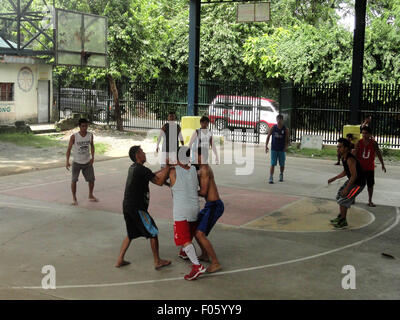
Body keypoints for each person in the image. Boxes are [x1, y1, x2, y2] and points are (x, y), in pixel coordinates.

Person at [115, 146, 171, 270]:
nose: (145, 153)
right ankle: (157, 261)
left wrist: (162, 171)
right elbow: (159, 182)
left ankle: (120, 259)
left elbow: (151, 175)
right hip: (137, 208)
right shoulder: (142, 170)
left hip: (127, 206)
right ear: (137, 156)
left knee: (131, 233)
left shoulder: (134, 168)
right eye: (142, 152)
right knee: (153, 231)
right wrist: (168, 167)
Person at [169, 146, 206, 280]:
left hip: (181, 211)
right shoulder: (193, 170)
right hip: (194, 209)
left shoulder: (173, 171)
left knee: (184, 239)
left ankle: (197, 266)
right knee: (188, 234)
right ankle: (184, 252)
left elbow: (158, 179)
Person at [328, 138, 366, 229]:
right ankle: (341, 217)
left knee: (344, 200)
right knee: (339, 196)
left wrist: (347, 188)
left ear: (346, 148)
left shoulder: (350, 159)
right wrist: (334, 178)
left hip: (358, 184)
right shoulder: (343, 158)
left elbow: (354, 175)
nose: (338, 149)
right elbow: (346, 171)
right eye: (338, 147)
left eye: (340, 147)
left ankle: (343, 221)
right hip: (352, 181)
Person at [195, 152, 224, 273]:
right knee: (195, 230)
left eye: (196, 155)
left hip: (215, 206)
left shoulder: (205, 169)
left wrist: (188, 190)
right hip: (209, 205)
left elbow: (203, 192)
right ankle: (205, 254)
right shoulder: (200, 169)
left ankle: (215, 262)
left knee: (200, 234)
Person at [66, 118, 98, 205]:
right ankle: (74, 198)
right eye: (83, 126)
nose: (85, 128)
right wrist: (67, 161)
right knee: (74, 180)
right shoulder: (74, 136)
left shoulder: (90, 135)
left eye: (86, 126)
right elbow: (69, 149)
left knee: (91, 179)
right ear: (79, 126)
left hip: (87, 162)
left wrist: (93, 157)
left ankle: (90, 195)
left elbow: (92, 146)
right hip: (76, 162)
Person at [354, 126, 386, 207]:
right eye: (363, 133)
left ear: (370, 134)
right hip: (360, 168)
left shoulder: (374, 143)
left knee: (370, 185)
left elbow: (378, 153)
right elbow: (355, 154)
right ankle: (352, 198)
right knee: (357, 184)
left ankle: (370, 200)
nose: (364, 135)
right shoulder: (359, 142)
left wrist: (382, 164)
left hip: (369, 168)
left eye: (366, 133)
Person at [265, 114, 290, 184]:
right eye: (278, 120)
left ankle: (281, 174)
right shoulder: (273, 127)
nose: (279, 122)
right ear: (276, 120)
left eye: (280, 120)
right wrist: (266, 146)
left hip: (282, 149)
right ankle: (271, 177)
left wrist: (286, 146)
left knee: (282, 164)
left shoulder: (286, 129)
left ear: (282, 120)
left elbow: (287, 139)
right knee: (273, 163)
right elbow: (268, 136)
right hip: (274, 149)